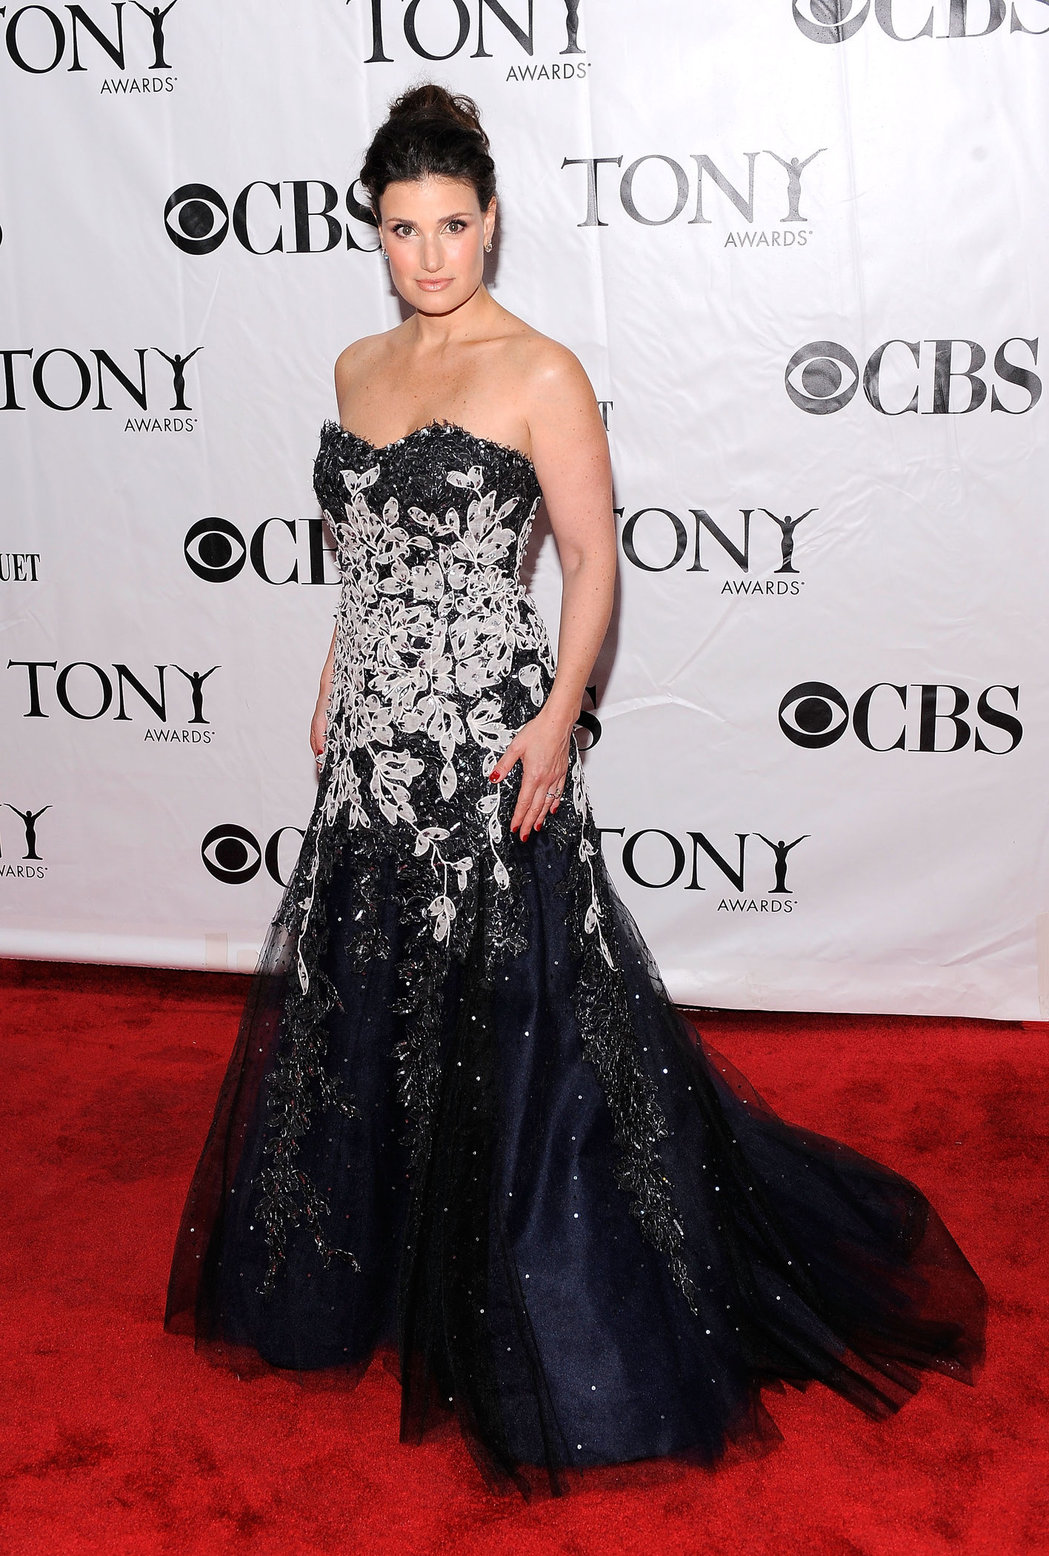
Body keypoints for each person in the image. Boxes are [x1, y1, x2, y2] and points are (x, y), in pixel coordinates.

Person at [165, 85, 985, 1495]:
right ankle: (372, 1277)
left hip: (491, 741)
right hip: (370, 741)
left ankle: (547, 1306)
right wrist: (329, 678)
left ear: (492, 223)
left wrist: (559, 718)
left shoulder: (537, 369)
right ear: (373, 228)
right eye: (403, 227)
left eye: (454, 226)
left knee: (520, 1023)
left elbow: (593, 562)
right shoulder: (357, 367)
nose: (430, 254)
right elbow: (365, 565)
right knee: (365, 1014)